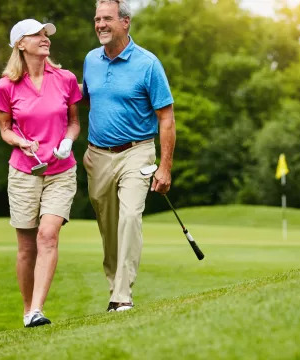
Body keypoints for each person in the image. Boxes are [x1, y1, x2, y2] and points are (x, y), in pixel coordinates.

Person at [82, 0, 176, 312]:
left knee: (130, 217)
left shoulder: (148, 64)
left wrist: (164, 167)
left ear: (126, 23)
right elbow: (79, 98)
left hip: (137, 152)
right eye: (97, 19)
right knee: (108, 227)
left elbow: (166, 119)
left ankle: (122, 296)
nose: (100, 25)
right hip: (97, 156)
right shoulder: (90, 61)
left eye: (107, 18)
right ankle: (115, 286)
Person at [0, 18, 82, 327]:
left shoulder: (66, 78)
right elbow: (5, 130)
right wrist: (21, 141)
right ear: (20, 44)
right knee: (26, 247)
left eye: (46, 34)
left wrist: (69, 141)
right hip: (23, 172)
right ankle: (27, 309)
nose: (44, 38)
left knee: (48, 235)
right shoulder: (6, 86)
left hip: (60, 170)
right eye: (37, 35)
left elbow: (74, 121)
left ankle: (37, 310)